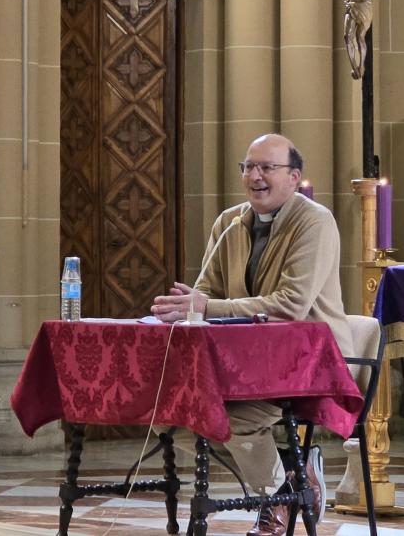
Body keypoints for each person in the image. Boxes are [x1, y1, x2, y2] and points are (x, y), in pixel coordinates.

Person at [151, 133, 353, 536]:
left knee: (234, 416)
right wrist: (187, 309)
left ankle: (277, 494)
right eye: (248, 167)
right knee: (165, 410)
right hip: (242, 358)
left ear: (294, 177)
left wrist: (206, 307)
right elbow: (205, 290)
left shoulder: (314, 221)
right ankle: (292, 470)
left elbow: (290, 305)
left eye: (267, 168)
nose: (255, 176)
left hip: (308, 361)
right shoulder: (229, 222)